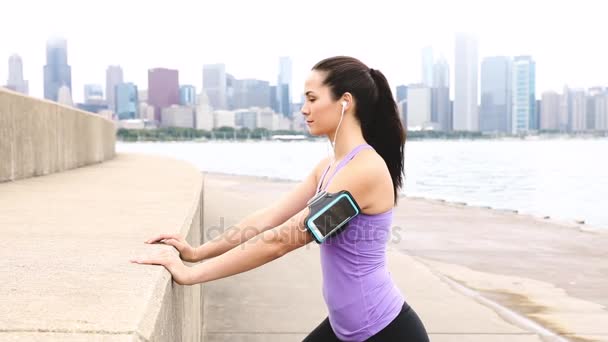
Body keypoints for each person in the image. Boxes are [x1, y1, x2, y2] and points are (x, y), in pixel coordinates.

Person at [130, 56, 429, 341]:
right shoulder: (329, 167)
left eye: (312, 99)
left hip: (385, 332)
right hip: (346, 329)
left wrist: (192, 275)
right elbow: (268, 219)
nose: (303, 109)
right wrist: (197, 253)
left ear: (345, 102)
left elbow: (282, 240)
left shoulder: (365, 172)